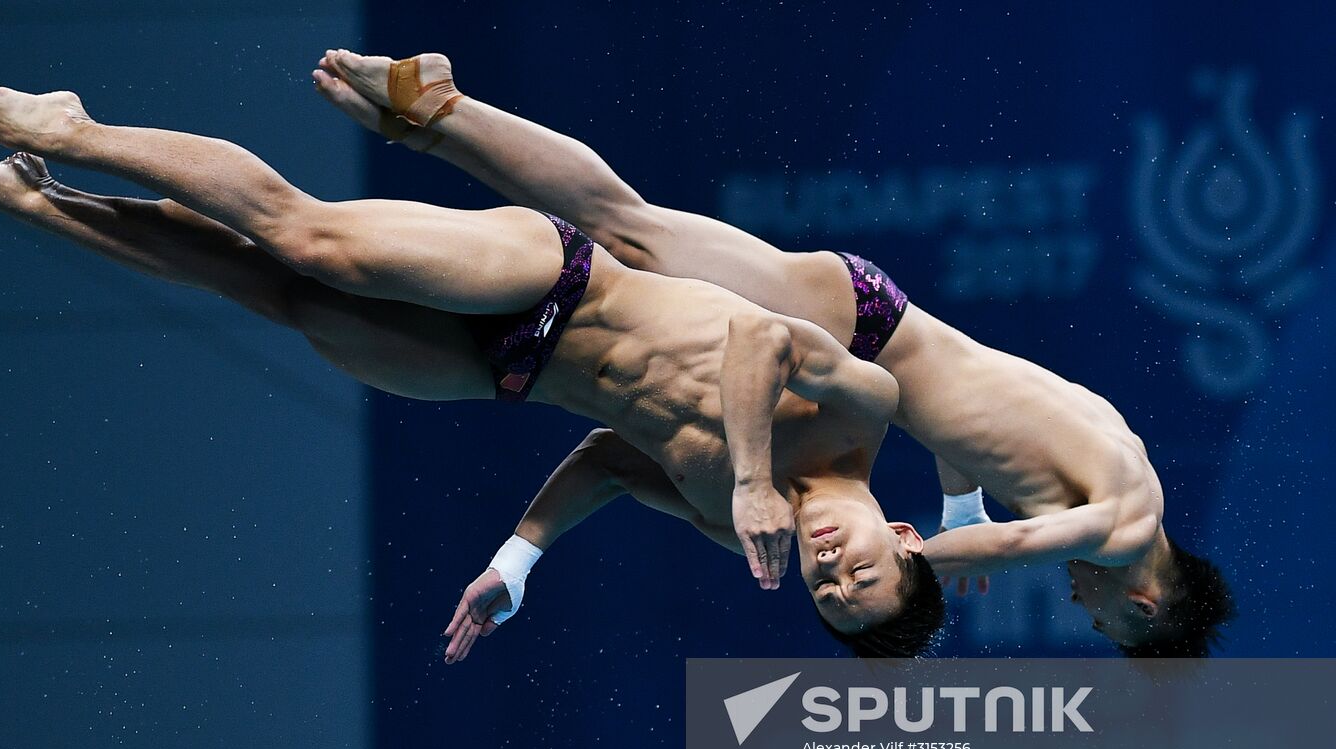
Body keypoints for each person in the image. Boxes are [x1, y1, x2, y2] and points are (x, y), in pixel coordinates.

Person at [0, 83, 938, 663]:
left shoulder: (739, 533)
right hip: (563, 281)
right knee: (312, 242)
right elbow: (759, 343)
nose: (830, 567)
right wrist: (758, 471)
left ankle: (43, 204)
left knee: (282, 299)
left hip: (499, 372)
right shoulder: (864, 411)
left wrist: (518, 561)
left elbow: (608, 460)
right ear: (899, 535)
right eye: (861, 569)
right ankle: (72, 130)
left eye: (829, 595)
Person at [311, 49, 1235, 657]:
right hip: (859, 327)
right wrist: (915, 572)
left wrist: (956, 501)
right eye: (1103, 623)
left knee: (628, 234)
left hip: (877, 324)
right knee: (623, 226)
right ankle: (444, 107)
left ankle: (438, 113)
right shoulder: (1119, 527)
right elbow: (1029, 543)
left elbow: (979, 412)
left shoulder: (1123, 456)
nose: (1085, 607)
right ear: (1143, 607)